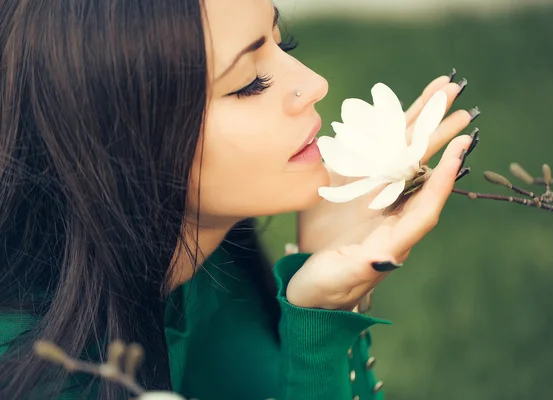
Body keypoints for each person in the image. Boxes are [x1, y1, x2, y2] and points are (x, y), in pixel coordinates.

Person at [0, 0, 478, 399]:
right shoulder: (44, 377)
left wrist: (325, 308)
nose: (314, 83)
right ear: (119, 140)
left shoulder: (217, 267)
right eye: (249, 81)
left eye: (280, 40)